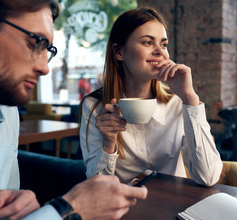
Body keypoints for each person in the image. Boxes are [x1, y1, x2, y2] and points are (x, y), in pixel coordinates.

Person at [0, 0, 147, 220]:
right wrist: (65, 215)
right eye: (35, 42)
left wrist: (20, 213)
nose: (44, 67)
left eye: (48, 50)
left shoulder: (7, 115)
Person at [79, 7, 223, 186]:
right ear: (119, 52)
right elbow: (97, 186)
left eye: (163, 44)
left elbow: (208, 177)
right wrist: (109, 143)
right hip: (125, 208)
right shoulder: (94, 106)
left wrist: (189, 97)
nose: (160, 52)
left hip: (173, 205)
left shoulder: (178, 101)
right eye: (148, 42)